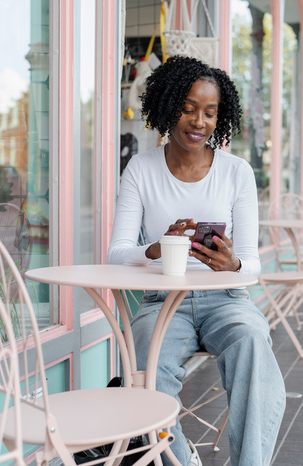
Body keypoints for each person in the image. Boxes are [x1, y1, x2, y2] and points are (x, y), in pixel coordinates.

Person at [106, 56, 286, 466]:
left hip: (226, 299)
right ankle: (179, 459)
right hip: (162, 302)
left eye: (209, 112)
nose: (198, 121)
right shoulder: (141, 168)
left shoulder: (237, 172)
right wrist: (156, 247)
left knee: (253, 345)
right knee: (146, 369)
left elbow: (253, 265)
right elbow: (116, 254)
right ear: (168, 106)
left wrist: (234, 265)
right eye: (188, 108)